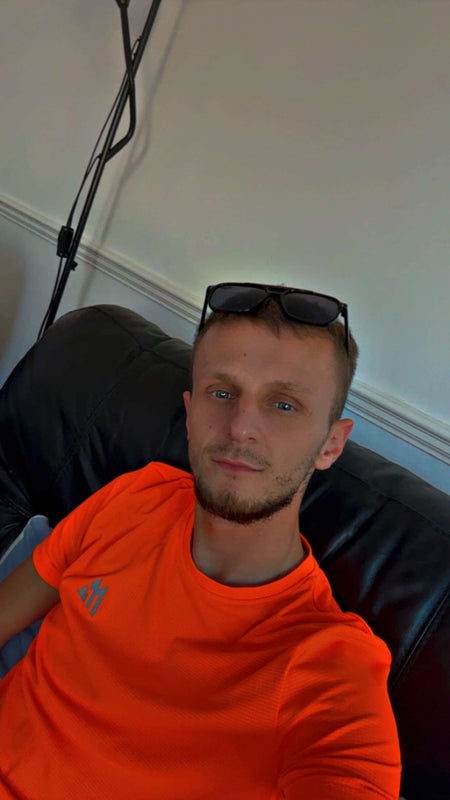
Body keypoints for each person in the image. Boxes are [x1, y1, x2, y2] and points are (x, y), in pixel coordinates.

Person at [0, 282, 401, 799]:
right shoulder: (133, 498)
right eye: (222, 393)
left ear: (331, 444)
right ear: (189, 414)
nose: (240, 428)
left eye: (284, 404)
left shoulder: (329, 665)